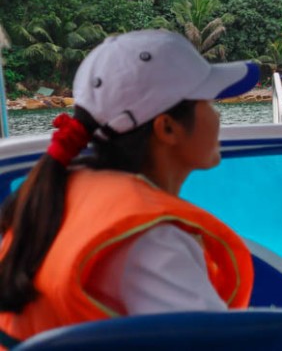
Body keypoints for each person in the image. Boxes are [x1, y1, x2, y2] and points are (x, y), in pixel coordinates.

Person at [0, 30, 260, 345]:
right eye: (208, 101)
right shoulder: (151, 242)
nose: (217, 114)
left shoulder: (65, 196)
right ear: (167, 127)